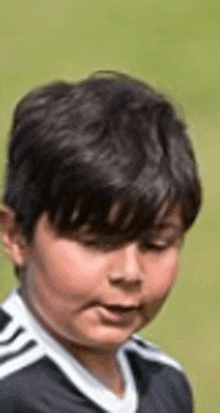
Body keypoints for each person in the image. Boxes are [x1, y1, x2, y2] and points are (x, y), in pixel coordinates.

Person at [0, 71, 201, 412]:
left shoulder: (165, 382)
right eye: (96, 241)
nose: (129, 272)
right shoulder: (10, 390)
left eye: (155, 244)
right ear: (16, 235)